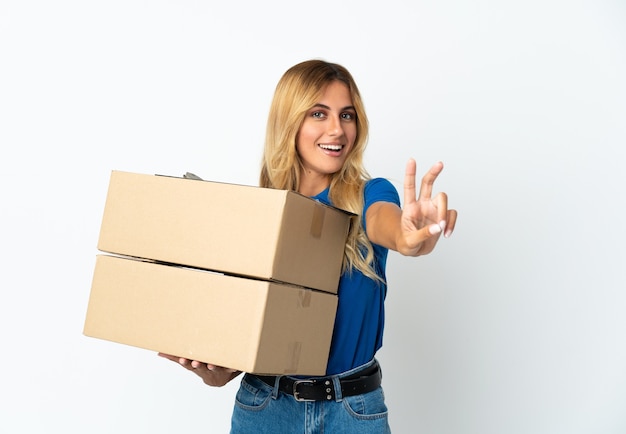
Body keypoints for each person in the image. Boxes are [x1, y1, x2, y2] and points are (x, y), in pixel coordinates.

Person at [159, 59, 458, 433]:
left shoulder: (371, 195)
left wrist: (411, 235)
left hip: (351, 412)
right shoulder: (259, 215)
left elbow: (392, 227)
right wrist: (217, 372)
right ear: (290, 122)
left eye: (347, 115)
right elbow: (257, 338)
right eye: (319, 113)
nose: (337, 129)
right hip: (264, 407)